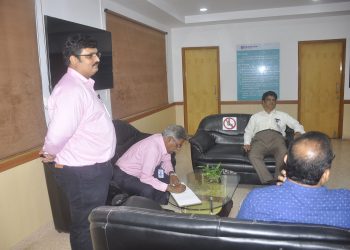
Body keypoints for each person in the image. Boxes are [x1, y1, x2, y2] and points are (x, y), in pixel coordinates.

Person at [40, 34, 116, 250]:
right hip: (84, 172)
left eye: (97, 53)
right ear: (73, 60)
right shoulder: (71, 90)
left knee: (92, 218)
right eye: (90, 55)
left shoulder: (83, 87)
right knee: (85, 223)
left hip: (92, 168)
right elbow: (59, 132)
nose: (97, 58)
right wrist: (50, 152)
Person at [237, 131, 350, 229]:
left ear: (285, 159)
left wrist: (283, 188)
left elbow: (239, 235)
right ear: (326, 175)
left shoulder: (256, 199)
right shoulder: (346, 201)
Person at [113, 125, 187, 204]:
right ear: (170, 139)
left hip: (139, 170)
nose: (178, 149)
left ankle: (162, 201)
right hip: (123, 174)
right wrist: (171, 188)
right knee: (148, 190)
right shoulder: (153, 148)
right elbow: (146, 178)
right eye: (178, 145)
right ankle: (153, 210)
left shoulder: (161, 139)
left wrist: (172, 174)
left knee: (165, 177)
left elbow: (166, 160)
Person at [243, 91, 305, 184]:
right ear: (263, 102)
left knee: (284, 154)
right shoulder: (255, 117)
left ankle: (278, 180)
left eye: (273, 100)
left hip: (277, 139)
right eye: (268, 100)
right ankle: (268, 180)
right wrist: (247, 143)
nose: (271, 102)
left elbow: (296, 124)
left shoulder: (282, 115)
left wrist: (298, 132)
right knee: (253, 155)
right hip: (259, 140)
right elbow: (248, 131)